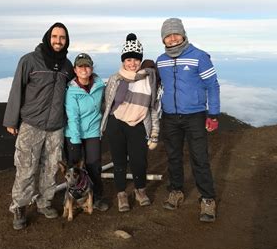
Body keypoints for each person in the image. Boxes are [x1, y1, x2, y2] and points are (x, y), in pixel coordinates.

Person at [3, 22, 74, 230]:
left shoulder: (67, 66)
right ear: (47, 37)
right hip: (31, 124)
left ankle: (44, 202)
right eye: (55, 37)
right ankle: (19, 207)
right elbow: (17, 89)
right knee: (25, 168)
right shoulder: (30, 61)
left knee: (51, 168)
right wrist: (11, 120)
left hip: (56, 126)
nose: (58, 41)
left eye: (62, 38)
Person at [156, 18, 220, 222]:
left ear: (183, 34)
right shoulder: (161, 60)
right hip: (170, 116)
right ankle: (176, 191)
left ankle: (208, 198)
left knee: (199, 157)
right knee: (173, 156)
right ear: (163, 38)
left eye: (176, 34)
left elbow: (213, 85)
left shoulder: (199, 57)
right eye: (168, 35)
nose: (172, 38)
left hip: (195, 115)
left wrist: (214, 114)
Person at [100, 33, 160, 212]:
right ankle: (121, 194)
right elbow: (107, 103)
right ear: (123, 61)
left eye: (135, 59)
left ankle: (140, 190)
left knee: (139, 161)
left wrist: (155, 132)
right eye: (128, 60)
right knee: (118, 161)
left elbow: (153, 107)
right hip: (116, 124)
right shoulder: (114, 79)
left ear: (140, 60)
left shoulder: (149, 78)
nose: (132, 63)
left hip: (139, 124)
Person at [64, 53, 108, 212]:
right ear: (75, 69)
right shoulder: (71, 91)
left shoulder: (99, 85)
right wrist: (75, 140)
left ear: (92, 68)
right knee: (74, 169)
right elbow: (73, 117)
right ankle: (72, 199)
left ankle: (97, 197)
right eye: (80, 66)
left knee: (94, 166)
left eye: (87, 65)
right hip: (73, 134)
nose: (84, 69)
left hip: (93, 132)